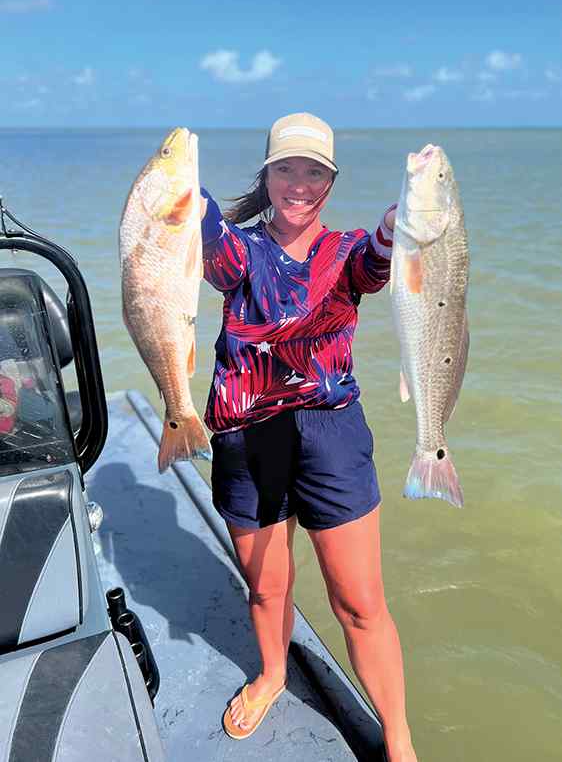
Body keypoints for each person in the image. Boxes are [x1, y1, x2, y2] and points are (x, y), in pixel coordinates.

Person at [200, 112, 418, 762]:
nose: (299, 184)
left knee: (360, 603)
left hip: (331, 436)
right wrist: (177, 179)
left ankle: (398, 735)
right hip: (246, 436)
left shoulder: (348, 252)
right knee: (267, 587)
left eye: (314, 172)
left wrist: (401, 222)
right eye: (285, 169)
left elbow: (380, 261)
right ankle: (273, 673)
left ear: (331, 181)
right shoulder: (240, 251)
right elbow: (203, 236)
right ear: (266, 176)